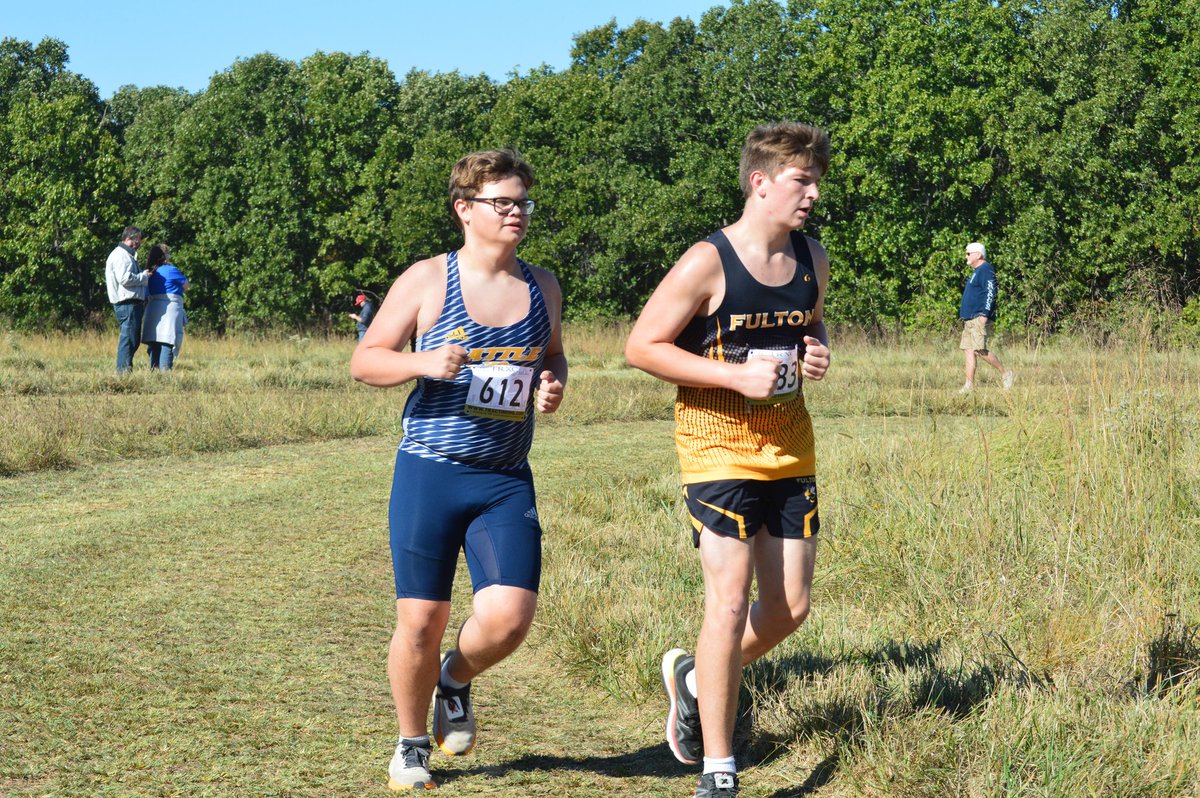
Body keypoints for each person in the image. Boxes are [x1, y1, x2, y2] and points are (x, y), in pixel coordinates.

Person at [625, 122, 833, 798]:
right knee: (727, 599)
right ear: (760, 182)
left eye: (816, 180)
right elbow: (644, 347)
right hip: (716, 445)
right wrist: (733, 378)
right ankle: (719, 766)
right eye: (802, 180)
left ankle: (694, 678)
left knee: (789, 609)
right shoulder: (707, 263)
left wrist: (817, 351)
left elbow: (810, 324)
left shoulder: (813, 258)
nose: (813, 193)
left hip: (789, 445)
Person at [349, 149, 568, 792]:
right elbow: (366, 362)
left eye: (523, 202)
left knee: (510, 617)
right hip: (430, 472)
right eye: (503, 202)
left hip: (504, 477)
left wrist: (553, 384)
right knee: (421, 619)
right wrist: (421, 364)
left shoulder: (542, 285)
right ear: (464, 209)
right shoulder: (427, 281)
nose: (517, 213)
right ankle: (411, 743)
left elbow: (552, 355)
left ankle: (456, 679)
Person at [958, 242, 1014, 393]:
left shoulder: (985, 269)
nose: (966, 256)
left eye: (968, 253)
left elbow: (991, 292)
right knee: (969, 350)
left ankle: (1006, 373)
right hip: (969, 319)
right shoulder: (976, 271)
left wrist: (985, 314)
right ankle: (969, 385)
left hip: (978, 316)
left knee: (978, 350)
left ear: (978, 254)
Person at [104, 226, 149, 373]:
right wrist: (144, 277)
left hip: (130, 303)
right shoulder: (122, 256)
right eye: (138, 240)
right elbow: (124, 279)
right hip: (127, 303)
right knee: (128, 340)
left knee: (132, 339)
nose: (139, 243)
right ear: (130, 238)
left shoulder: (126, 255)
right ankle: (123, 373)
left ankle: (125, 370)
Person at [141, 244, 189, 371]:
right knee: (167, 342)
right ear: (164, 256)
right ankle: (165, 375)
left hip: (152, 308)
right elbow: (186, 285)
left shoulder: (149, 272)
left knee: (154, 342)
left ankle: (154, 372)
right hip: (169, 308)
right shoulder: (171, 270)